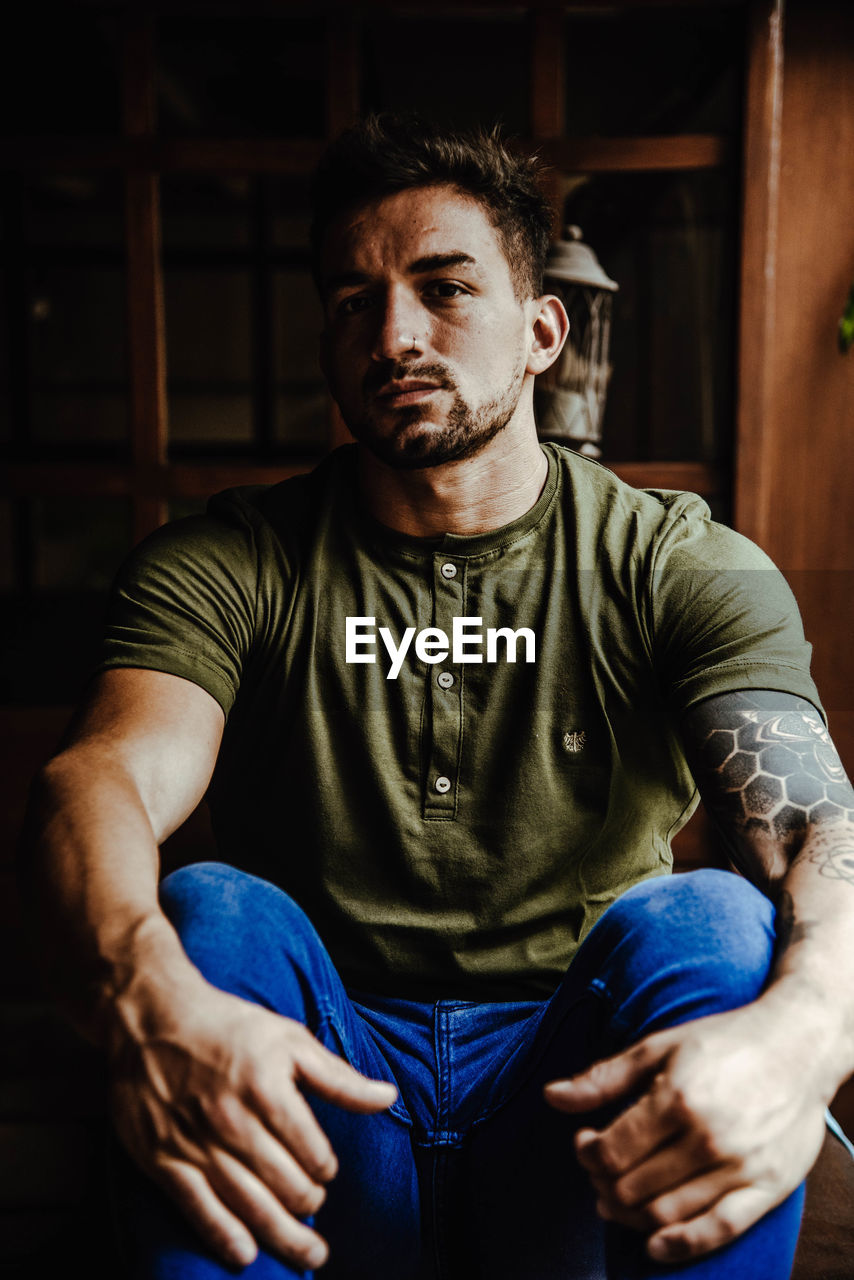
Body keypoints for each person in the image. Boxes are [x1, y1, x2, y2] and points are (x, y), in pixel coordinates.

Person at [19, 115, 854, 1279]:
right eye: (352, 300)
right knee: (211, 914)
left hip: (577, 1116)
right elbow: (100, 773)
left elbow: (823, 824)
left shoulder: (672, 559)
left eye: (443, 287)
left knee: (710, 924)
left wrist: (808, 1034)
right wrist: (140, 992)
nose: (393, 333)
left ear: (540, 332)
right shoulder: (234, 559)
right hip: (320, 1110)